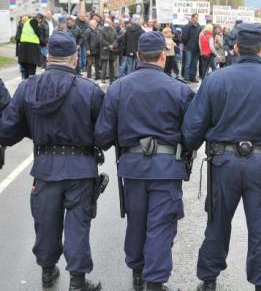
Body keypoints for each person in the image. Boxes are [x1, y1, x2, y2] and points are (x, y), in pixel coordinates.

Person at [182, 23, 261, 291]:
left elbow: (193, 128)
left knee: (217, 222)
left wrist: (190, 146)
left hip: (223, 162)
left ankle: (209, 279)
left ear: (235, 48)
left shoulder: (216, 79)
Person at [0, 31, 104, 291]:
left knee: (46, 221)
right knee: (78, 224)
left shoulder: (27, 87)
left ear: (48, 56)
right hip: (81, 167)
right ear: (74, 58)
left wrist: (34, 129)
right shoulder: (89, 90)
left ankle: (48, 272)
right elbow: (104, 133)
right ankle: (78, 282)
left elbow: (7, 130)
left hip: (45, 165)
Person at [94, 31, 194, 291]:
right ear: (163, 56)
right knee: (161, 224)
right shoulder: (180, 89)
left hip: (133, 167)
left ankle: (138, 272)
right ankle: (154, 281)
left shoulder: (119, 87)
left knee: (136, 221)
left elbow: (102, 135)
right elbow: (193, 133)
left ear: (138, 55)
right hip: (167, 167)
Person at [182, 14, 201, 82]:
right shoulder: (187, 26)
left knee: (194, 64)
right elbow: (184, 38)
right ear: (192, 18)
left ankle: (193, 77)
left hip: (196, 48)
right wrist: (187, 45)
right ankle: (186, 78)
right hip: (189, 48)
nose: (197, 19)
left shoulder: (199, 26)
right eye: (196, 18)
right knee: (188, 64)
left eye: (197, 18)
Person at [99, 18, 118, 84]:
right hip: (105, 49)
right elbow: (101, 39)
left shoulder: (114, 29)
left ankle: (111, 79)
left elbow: (116, 39)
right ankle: (103, 78)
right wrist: (109, 45)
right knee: (104, 65)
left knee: (111, 65)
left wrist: (113, 45)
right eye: (107, 22)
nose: (109, 24)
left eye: (109, 22)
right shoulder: (102, 30)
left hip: (112, 49)